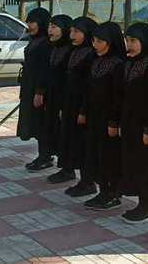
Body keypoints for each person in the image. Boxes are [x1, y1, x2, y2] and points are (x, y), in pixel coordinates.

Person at [119, 22, 148, 224]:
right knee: (134, 164)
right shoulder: (129, 63)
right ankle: (142, 203)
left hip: (144, 127)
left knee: (145, 166)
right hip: (129, 124)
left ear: (144, 41)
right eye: (127, 40)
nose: (130, 45)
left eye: (134, 40)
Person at [83, 21, 126, 211]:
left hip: (109, 119)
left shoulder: (118, 65)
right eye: (94, 40)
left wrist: (114, 121)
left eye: (100, 42)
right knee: (97, 153)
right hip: (95, 116)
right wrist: (84, 111)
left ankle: (113, 193)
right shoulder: (96, 60)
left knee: (110, 155)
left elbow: (119, 96)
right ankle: (103, 191)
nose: (95, 45)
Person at [54, 16, 99, 197]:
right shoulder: (74, 51)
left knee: (83, 144)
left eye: (77, 31)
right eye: (71, 31)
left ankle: (88, 182)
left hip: (83, 106)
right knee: (73, 142)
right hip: (70, 104)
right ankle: (79, 177)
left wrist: (83, 110)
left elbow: (89, 84)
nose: (72, 35)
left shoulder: (91, 54)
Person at [18, 7, 53, 171]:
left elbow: (44, 69)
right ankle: (42, 155)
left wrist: (39, 92)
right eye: (28, 22)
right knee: (34, 122)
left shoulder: (46, 43)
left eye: (32, 22)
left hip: (39, 90)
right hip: (29, 88)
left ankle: (46, 156)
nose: (29, 25)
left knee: (41, 123)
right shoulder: (35, 40)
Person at [41, 14, 73, 180]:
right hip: (53, 97)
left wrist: (62, 104)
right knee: (55, 132)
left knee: (65, 133)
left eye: (54, 27)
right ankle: (63, 167)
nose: (50, 30)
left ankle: (69, 169)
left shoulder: (70, 50)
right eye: (49, 27)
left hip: (64, 98)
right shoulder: (54, 48)